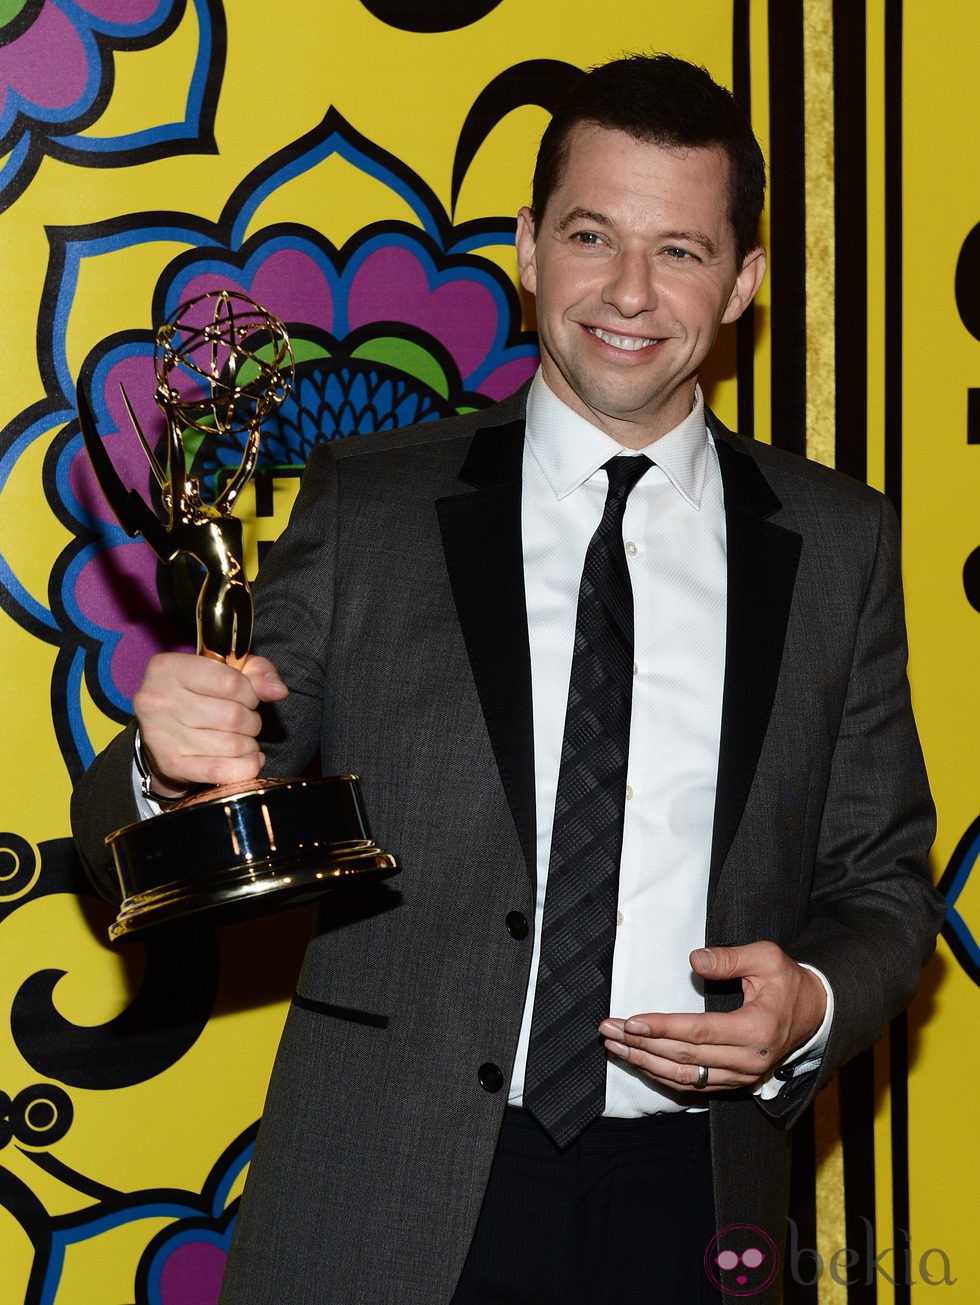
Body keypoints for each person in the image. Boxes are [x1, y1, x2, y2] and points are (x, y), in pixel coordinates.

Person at [72, 53, 943, 1305]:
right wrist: (169, 764)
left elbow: (879, 890)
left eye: (682, 251)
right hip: (392, 1192)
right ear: (529, 248)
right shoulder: (369, 506)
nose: (628, 292)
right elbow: (161, 817)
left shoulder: (841, 544)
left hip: (699, 1202)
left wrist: (803, 1006)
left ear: (745, 279)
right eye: (591, 236)